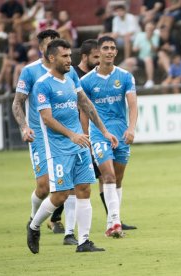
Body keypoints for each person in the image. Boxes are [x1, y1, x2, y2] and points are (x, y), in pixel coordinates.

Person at [26, 39, 118, 254]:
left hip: (80, 144)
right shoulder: (42, 84)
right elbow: (47, 119)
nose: (70, 60)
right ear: (52, 58)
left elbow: (85, 103)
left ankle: (84, 241)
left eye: (70, 55)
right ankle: (34, 225)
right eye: (65, 56)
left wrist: (104, 132)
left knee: (85, 189)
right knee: (60, 195)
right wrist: (72, 135)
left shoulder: (72, 77)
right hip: (58, 147)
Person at [12, 30, 78, 246]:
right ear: (43, 48)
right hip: (40, 136)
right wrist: (24, 127)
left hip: (64, 133)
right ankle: (34, 218)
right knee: (43, 186)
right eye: (50, 45)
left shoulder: (68, 72)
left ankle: (69, 231)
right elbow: (17, 102)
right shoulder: (30, 72)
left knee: (70, 185)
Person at [76, 38, 137, 231]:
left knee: (118, 179)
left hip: (121, 133)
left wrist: (132, 128)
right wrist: (85, 136)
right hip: (98, 134)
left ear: (116, 52)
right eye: (105, 48)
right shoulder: (85, 81)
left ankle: (112, 220)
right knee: (108, 176)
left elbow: (133, 104)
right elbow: (84, 111)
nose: (109, 51)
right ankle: (116, 222)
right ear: (98, 52)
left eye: (112, 48)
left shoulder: (125, 77)